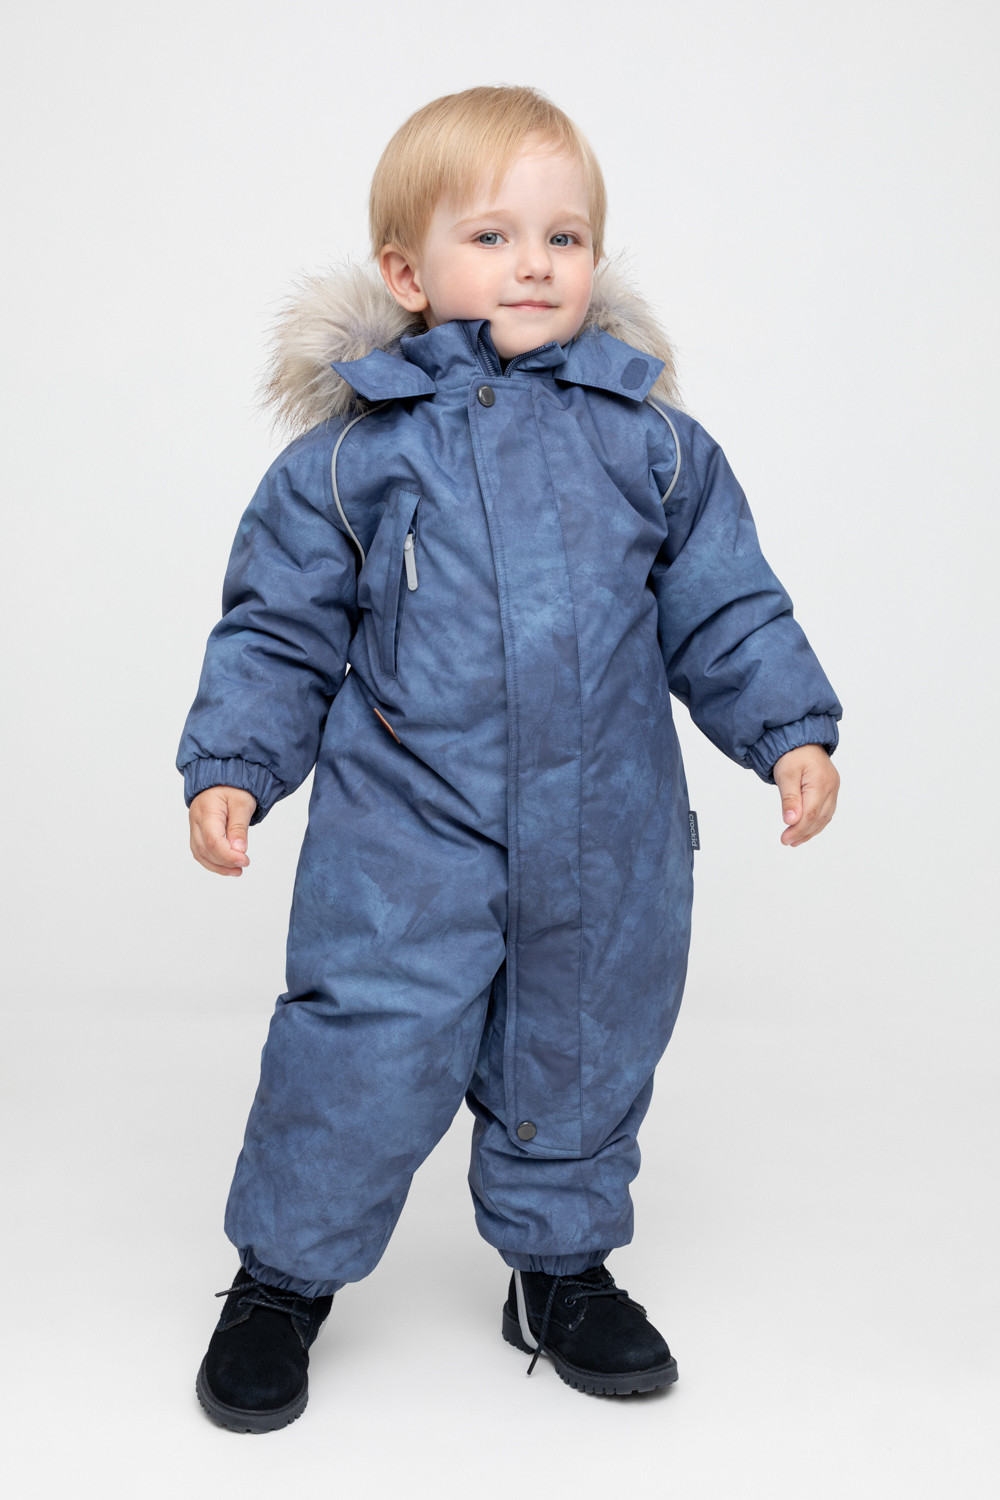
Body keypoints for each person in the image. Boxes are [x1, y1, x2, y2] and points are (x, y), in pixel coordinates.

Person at [178, 84, 841, 1432]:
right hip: (406, 840)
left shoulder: (653, 445)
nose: (535, 263)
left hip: (604, 836)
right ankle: (281, 1281)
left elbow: (725, 604)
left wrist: (790, 730)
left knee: (583, 1047)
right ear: (406, 274)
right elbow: (278, 629)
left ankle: (559, 1270)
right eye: (492, 236)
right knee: (360, 1050)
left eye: (565, 236)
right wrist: (234, 762)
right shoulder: (353, 461)